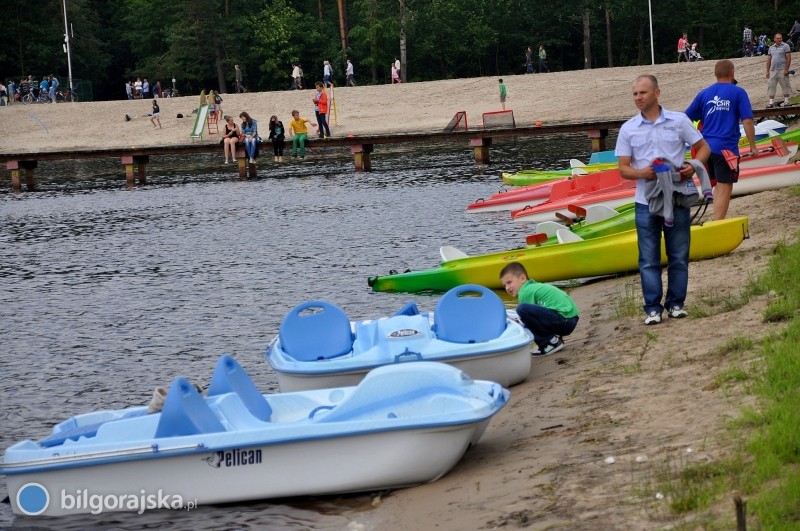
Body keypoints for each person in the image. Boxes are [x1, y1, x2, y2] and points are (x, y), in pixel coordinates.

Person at [615, 74, 710, 325]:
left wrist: (693, 164)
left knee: (679, 254)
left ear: (657, 93)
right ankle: (652, 308)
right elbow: (623, 169)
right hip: (645, 202)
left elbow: (704, 147)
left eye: (643, 93)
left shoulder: (679, 121)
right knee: (648, 259)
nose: (638, 98)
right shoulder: (628, 129)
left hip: (677, 198)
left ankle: (676, 304)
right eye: (635, 94)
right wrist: (642, 173)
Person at [685, 59, 757, 220]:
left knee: (718, 185)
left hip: (704, 150)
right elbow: (747, 121)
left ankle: (716, 219)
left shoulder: (704, 93)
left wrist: (691, 141)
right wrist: (753, 146)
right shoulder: (738, 92)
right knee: (725, 187)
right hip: (725, 150)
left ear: (716, 74)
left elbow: (685, 119)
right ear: (732, 73)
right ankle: (718, 224)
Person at [499, 262, 579, 356]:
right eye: (504, 285)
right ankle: (552, 340)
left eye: (509, 282)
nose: (507, 288)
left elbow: (526, 321)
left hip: (565, 320)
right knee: (523, 313)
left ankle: (549, 343)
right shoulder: (532, 287)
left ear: (523, 278)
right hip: (570, 319)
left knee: (521, 309)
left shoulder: (525, 292)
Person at [766, 33, 792, 108]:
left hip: (782, 69)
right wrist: (767, 71)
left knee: (785, 84)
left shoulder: (785, 46)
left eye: (780, 38)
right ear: (774, 39)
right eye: (778, 38)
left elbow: (789, 58)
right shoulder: (771, 48)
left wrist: (786, 69)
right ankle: (771, 102)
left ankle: (786, 101)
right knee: (771, 85)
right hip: (773, 70)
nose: (779, 39)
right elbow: (769, 59)